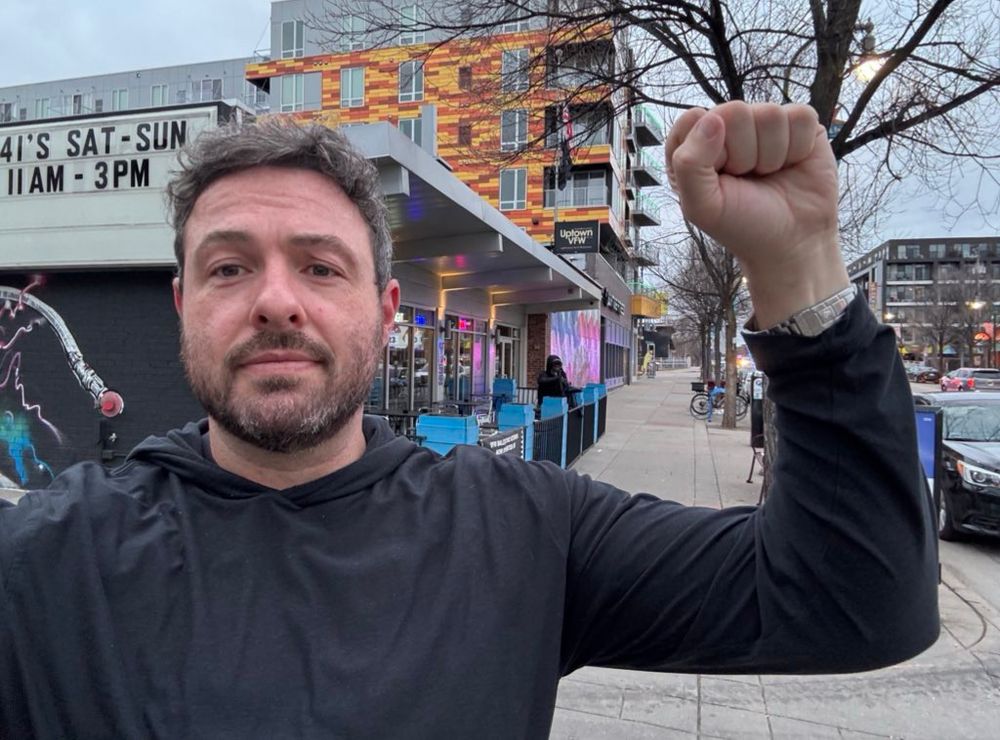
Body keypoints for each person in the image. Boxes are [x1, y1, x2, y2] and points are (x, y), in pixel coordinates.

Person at [0, 107, 939, 738]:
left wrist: (804, 262)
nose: (276, 301)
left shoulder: (527, 531)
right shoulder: (47, 560)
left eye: (321, 267)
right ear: (182, 304)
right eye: (229, 267)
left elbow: (858, 597)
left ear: (383, 308)